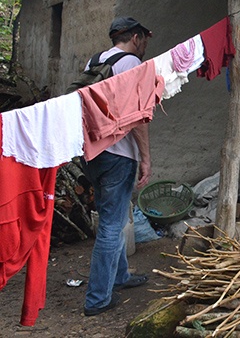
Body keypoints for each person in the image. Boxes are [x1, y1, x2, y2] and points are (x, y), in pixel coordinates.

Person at [82, 17, 153, 316]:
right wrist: (146, 157)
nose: (146, 44)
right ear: (135, 38)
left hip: (93, 152)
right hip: (119, 155)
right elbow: (138, 117)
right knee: (111, 226)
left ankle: (120, 276)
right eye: (144, 39)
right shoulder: (132, 65)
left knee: (115, 216)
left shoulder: (94, 62)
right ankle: (97, 299)